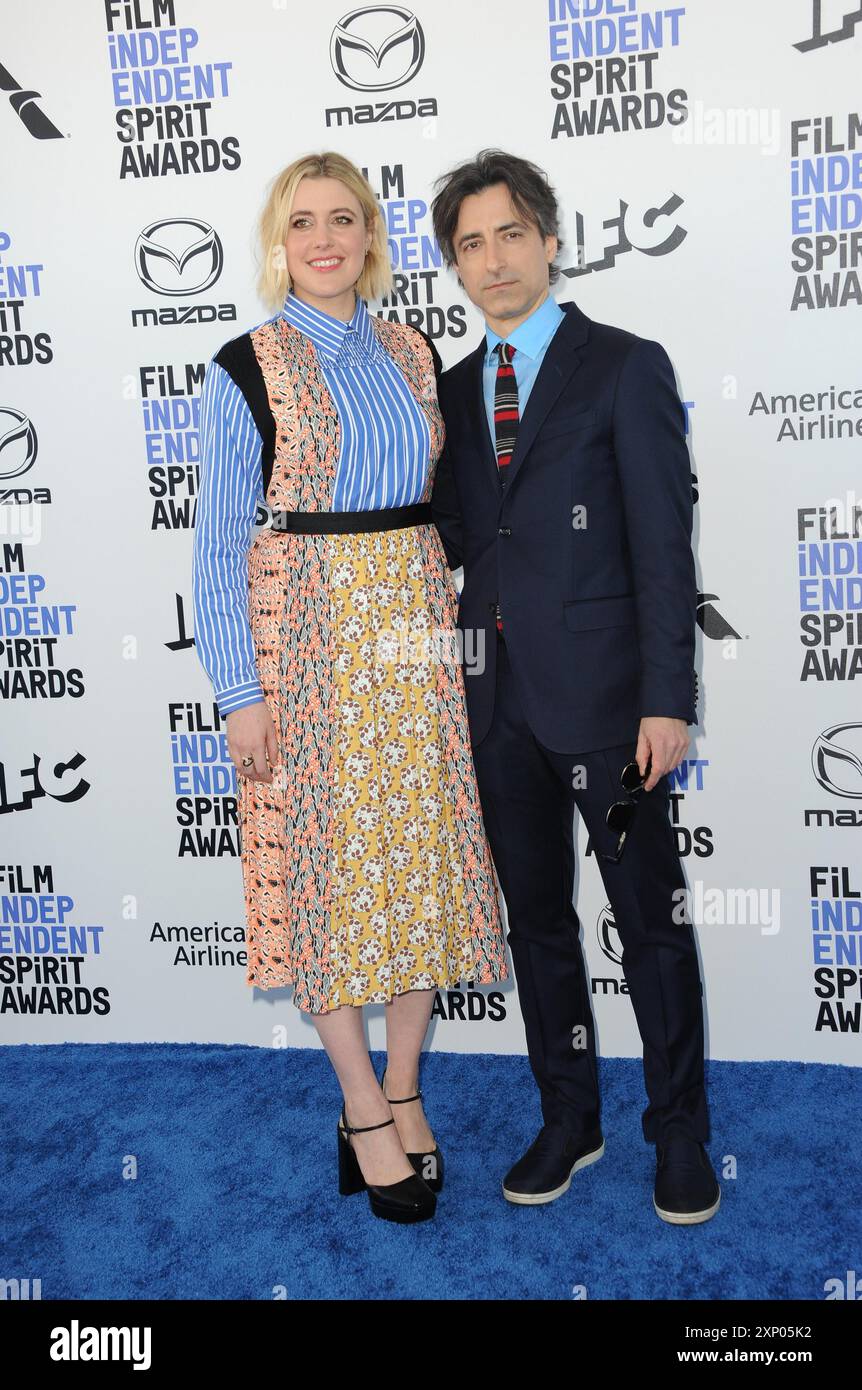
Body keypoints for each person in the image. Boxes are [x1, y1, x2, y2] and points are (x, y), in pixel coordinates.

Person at [192, 151, 508, 1224]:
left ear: (370, 236)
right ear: (279, 244)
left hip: (414, 629)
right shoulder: (245, 364)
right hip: (303, 637)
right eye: (302, 223)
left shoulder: (415, 351)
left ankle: (408, 1083)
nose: (324, 239)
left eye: (343, 219)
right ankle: (361, 1104)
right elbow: (217, 546)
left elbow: (443, 506)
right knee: (323, 877)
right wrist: (239, 690)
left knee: (416, 859)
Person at [429, 149, 719, 1224]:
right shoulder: (452, 391)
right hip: (494, 697)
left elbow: (661, 543)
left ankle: (678, 1129)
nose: (494, 259)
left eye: (510, 234)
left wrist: (667, 698)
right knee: (538, 925)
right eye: (470, 244)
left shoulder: (623, 364)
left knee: (649, 921)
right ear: (453, 267)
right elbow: (457, 536)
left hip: (610, 702)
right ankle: (570, 1115)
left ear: (550, 240)